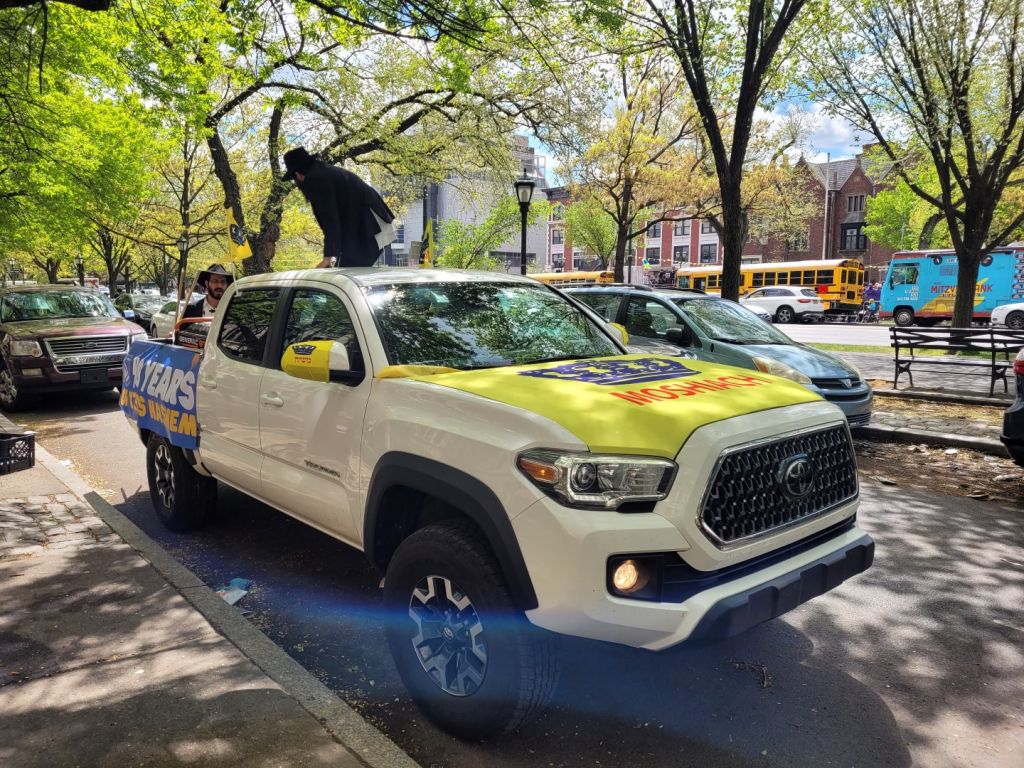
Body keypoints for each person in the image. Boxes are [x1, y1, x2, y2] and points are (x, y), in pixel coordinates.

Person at [282, 146, 396, 268]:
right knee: (346, 269)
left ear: (298, 175)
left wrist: (327, 258)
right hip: (370, 225)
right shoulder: (323, 173)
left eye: (294, 179)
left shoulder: (316, 181)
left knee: (346, 270)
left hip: (371, 227)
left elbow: (330, 219)